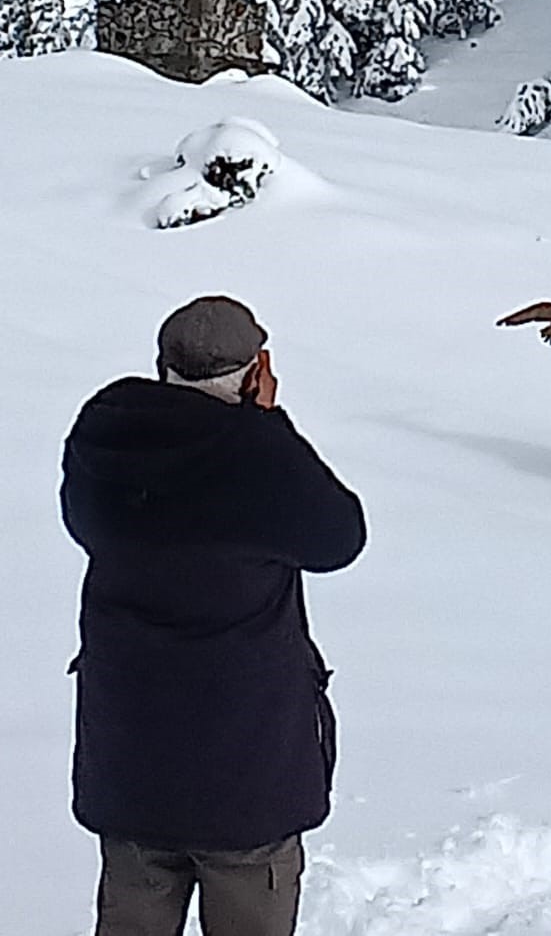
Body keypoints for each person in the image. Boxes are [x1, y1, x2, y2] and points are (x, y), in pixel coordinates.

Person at [60, 294, 366, 936]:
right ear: (256, 373)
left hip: (130, 760)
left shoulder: (104, 434)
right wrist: (267, 425)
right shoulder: (257, 460)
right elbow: (340, 538)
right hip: (245, 774)